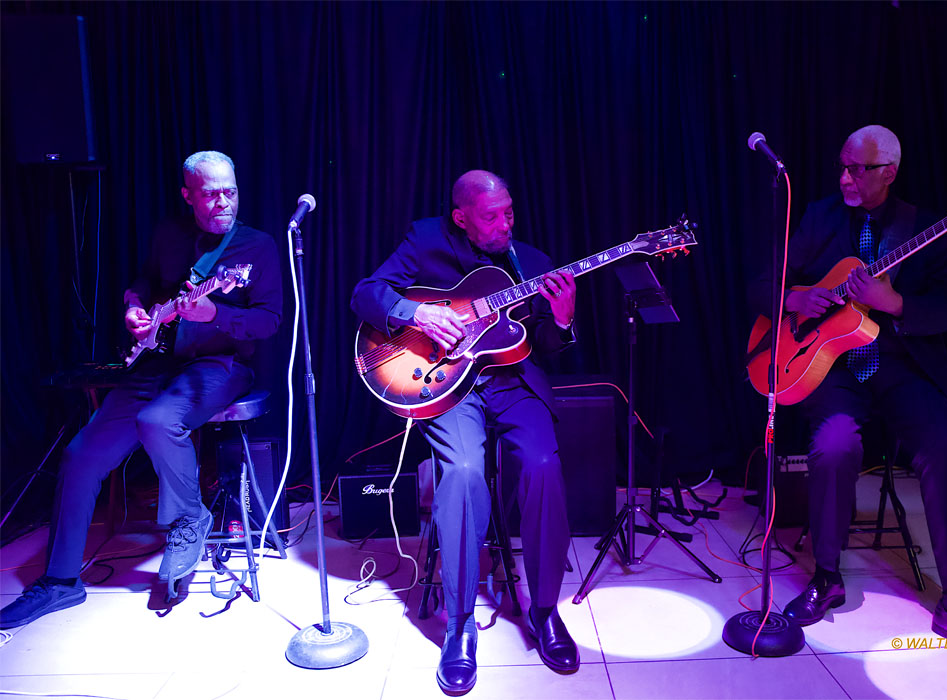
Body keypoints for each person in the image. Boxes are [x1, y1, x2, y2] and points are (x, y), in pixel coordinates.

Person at [748, 126, 947, 671]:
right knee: (833, 446)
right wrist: (797, 297)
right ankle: (826, 579)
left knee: (946, 451)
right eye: (842, 167)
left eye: (858, 170)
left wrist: (893, 303)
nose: (845, 178)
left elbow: (946, 311)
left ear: (889, 172)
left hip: (902, 366)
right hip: (838, 368)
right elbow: (762, 285)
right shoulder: (821, 216)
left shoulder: (926, 229)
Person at [0, 151, 282, 628]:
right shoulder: (169, 233)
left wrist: (217, 314)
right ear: (187, 194)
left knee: (157, 421)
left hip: (222, 364)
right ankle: (60, 582)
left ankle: (191, 518)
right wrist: (134, 305)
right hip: (156, 360)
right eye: (210, 193)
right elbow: (146, 282)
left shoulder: (256, 246)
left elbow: (270, 321)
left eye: (230, 191)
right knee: (80, 455)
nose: (222, 202)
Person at [351, 170, 580, 694]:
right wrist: (419, 313)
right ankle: (458, 628)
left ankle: (544, 610)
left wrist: (562, 322)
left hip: (512, 383)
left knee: (543, 465)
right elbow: (366, 294)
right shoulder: (426, 239)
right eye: (491, 216)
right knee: (462, 472)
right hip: (450, 388)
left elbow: (545, 344)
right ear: (461, 217)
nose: (505, 224)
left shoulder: (535, 264)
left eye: (510, 213)